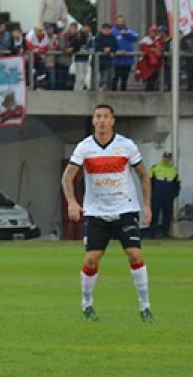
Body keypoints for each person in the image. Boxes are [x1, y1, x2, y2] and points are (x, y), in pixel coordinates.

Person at [62, 104, 154, 322]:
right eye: (98, 117)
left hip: (125, 209)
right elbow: (67, 176)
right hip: (96, 212)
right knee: (92, 259)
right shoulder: (84, 147)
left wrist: (147, 204)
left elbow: (143, 175)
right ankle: (87, 304)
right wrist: (72, 202)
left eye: (105, 117)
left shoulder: (126, 145)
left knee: (134, 254)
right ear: (93, 121)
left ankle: (145, 306)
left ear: (113, 121)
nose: (102, 121)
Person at [148, 152, 179, 239]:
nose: (166, 159)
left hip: (168, 197)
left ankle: (165, 232)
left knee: (167, 215)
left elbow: (176, 183)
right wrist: (150, 194)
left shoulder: (173, 169)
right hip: (156, 196)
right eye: (165, 158)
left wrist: (175, 194)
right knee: (155, 215)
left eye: (168, 158)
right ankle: (152, 233)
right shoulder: (155, 168)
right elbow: (149, 182)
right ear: (162, 158)